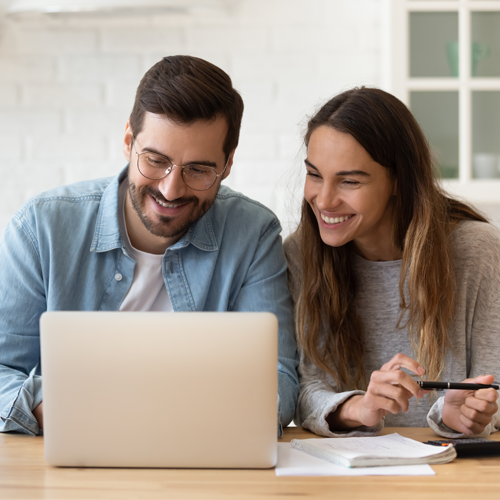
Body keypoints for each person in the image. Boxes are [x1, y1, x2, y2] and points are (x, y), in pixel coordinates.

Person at [0, 55, 299, 437]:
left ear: (227, 164)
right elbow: (3, 368)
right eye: (156, 161)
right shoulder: (40, 228)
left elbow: (277, 380)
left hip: (203, 459)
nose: (170, 189)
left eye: (199, 170)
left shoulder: (253, 235)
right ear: (128, 142)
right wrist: (56, 410)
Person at [284, 87, 500, 439]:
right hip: (345, 473)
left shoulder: (478, 252)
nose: (323, 200)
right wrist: (361, 408)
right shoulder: (300, 254)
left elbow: (495, 386)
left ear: (399, 180)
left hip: (454, 475)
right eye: (314, 174)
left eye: (349, 181)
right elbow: (305, 388)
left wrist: (465, 415)